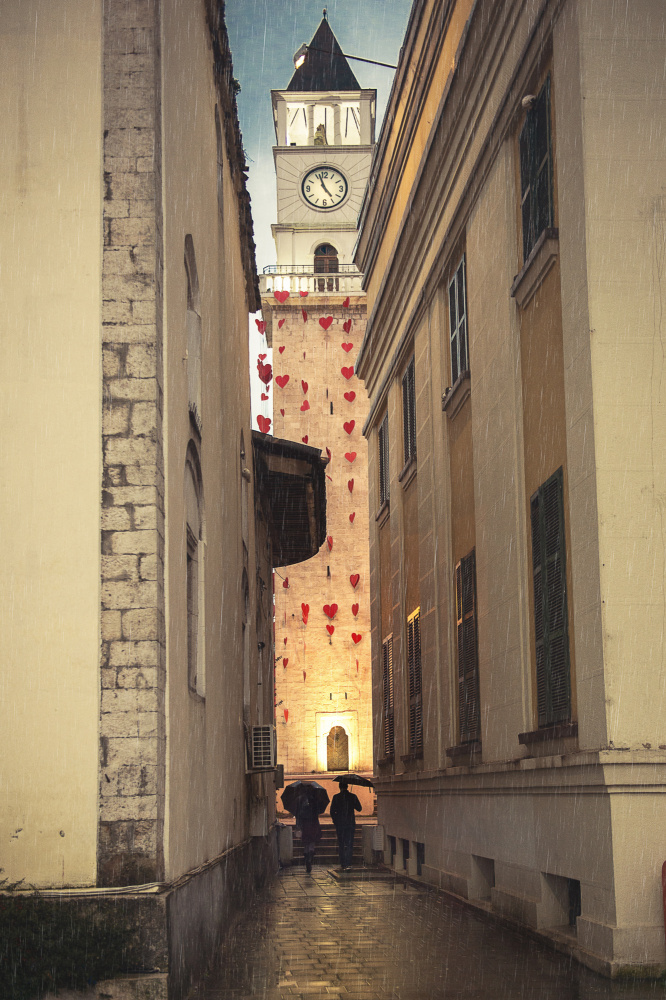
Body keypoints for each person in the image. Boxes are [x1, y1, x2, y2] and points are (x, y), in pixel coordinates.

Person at [330, 780, 362, 870]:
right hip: (350, 823)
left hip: (340, 824)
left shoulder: (336, 797)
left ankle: (343, 863)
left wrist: (335, 821)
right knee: (349, 843)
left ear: (339, 787)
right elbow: (359, 808)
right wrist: (353, 802)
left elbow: (332, 811)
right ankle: (348, 862)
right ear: (347, 787)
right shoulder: (353, 797)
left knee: (341, 843)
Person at [294, 794, 322, 874]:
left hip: (305, 825)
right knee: (312, 843)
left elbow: (298, 815)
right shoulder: (315, 800)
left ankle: (307, 860)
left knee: (306, 843)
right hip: (313, 824)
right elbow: (317, 814)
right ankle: (310, 858)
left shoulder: (300, 799)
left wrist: (298, 826)